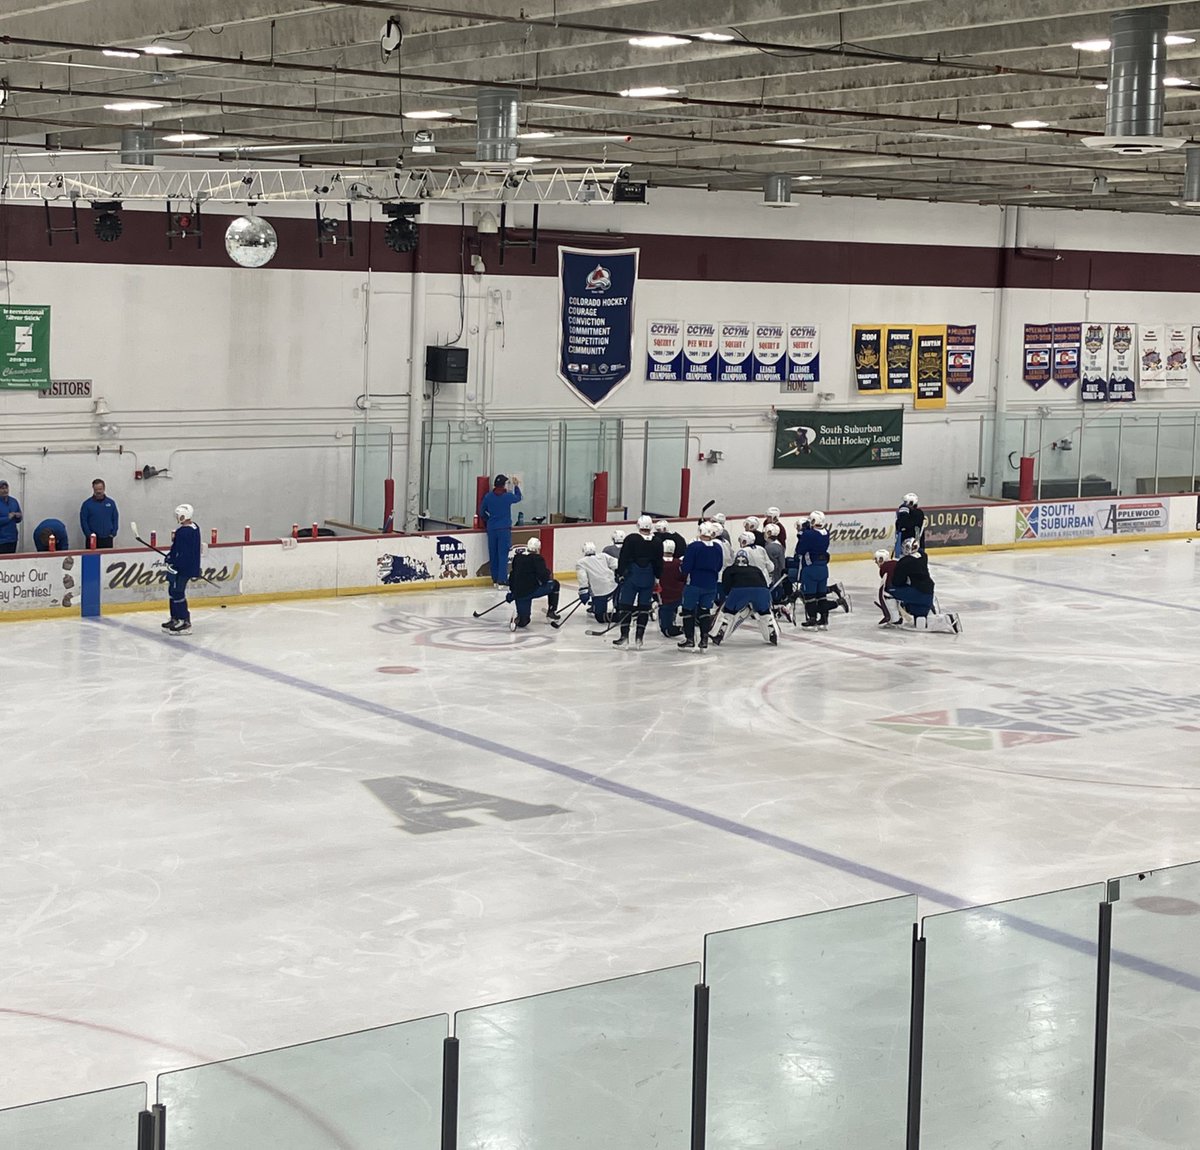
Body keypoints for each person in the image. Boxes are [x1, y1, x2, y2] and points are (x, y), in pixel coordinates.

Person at [883, 538, 961, 633]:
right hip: (928, 593)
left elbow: (897, 582)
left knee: (888, 591)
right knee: (919, 618)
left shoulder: (904, 562)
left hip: (918, 593)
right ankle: (930, 614)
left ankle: (894, 620)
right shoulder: (923, 556)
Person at [711, 549, 778, 646]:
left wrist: (730, 600)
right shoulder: (756, 569)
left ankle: (720, 633)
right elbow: (764, 584)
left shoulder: (729, 570)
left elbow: (726, 587)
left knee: (728, 613)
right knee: (765, 614)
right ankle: (772, 633)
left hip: (739, 590)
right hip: (761, 591)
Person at [613, 514, 661, 649]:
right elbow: (659, 562)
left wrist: (620, 573)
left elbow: (623, 558)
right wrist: (657, 577)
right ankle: (639, 638)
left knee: (626, 606)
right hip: (649, 577)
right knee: (644, 608)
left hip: (632, 576)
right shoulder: (657, 541)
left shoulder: (631, 539)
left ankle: (624, 638)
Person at [678, 521, 725, 651]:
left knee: (688, 610)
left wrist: (681, 569)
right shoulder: (717, 547)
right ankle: (704, 639)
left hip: (694, 583)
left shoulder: (694, 546)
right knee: (705, 610)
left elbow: (686, 566)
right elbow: (719, 565)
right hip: (710, 583)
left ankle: (689, 639)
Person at [163, 504, 202, 635]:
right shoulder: (195, 527)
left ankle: (184, 620)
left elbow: (180, 552)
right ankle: (175, 618)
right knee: (173, 591)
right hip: (187, 566)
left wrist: (171, 559)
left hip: (182, 568)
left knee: (177, 592)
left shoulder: (183, 532)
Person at [506, 537, 560, 628]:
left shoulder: (518, 558)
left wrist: (512, 592)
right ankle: (551, 611)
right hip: (531, 590)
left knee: (524, 622)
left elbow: (513, 575)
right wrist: (547, 576)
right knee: (555, 585)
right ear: (538, 548)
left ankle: (520, 617)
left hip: (519, 593)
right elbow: (544, 577)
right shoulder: (538, 559)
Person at [480, 474, 522, 587]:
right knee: (503, 554)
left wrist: (489, 520)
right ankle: (502, 579)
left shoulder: (488, 497)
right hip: (503, 529)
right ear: (503, 485)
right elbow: (518, 497)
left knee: (493, 554)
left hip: (492, 528)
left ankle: (494, 579)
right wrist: (516, 486)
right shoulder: (507, 496)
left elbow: (481, 512)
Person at [576, 541, 617, 623]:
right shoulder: (603, 556)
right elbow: (616, 564)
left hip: (599, 591)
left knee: (600, 617)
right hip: (614, 586)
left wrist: (583, 591)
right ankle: (624, 614)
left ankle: (620, 617)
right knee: (620, 606)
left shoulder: (581, 562)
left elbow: (583, 578)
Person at [657, 539, 686, 638]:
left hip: (663, 596)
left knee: (665, 629)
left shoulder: (658, 563)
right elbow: (683, 577)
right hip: (677, 594)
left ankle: (682, 628)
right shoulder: (679, 563)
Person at [80, 478, 119, 548]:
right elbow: (83, 521)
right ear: (93, 489)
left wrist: (113, 533)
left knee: (107, 558)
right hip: (92, 539)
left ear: (104, 488)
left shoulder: (111, 503)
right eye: (96, 490)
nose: (98, 491)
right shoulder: (87, 504)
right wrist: (89, 535)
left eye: (100, 489)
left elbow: (115, 518)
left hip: (107, 538)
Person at [895, 492, 924, 558]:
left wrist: (904, 511)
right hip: (904, 545)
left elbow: (904, 524)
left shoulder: (918, 513)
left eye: (905, 502)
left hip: (914, 546)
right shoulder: (907, 512)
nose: (903, 504)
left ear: (911, 503)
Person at [874, 548, 898, 625]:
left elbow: (886, 584)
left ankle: (892, 616)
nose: (875, 562)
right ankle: (897, 615)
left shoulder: (883, 568)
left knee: (885, 595)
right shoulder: (896, 562)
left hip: (894, 589)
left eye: (876, 559)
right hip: (905, 588)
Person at [0, 480, 22, 553]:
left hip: (13, 538)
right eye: (2, 488)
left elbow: (19, 518)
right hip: (1, 540)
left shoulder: (14, 501)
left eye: (6, 488)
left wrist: (18, 516)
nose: (5, 490)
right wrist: (7, 518)